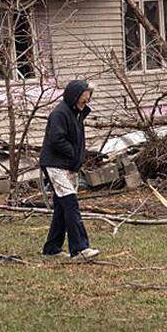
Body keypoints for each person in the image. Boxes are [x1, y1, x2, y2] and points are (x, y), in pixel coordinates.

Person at [38, 80, 100, 262]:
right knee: (70, 203)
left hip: (68, 165)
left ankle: (52, 248)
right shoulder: (60, 113)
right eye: (85, 94)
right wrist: (74, 154)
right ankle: (80, 248)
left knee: (62, 207)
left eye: (89, 94)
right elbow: (57, 139)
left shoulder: (78, 113)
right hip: (56, 165)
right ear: (76, 94)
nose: (88, 98)